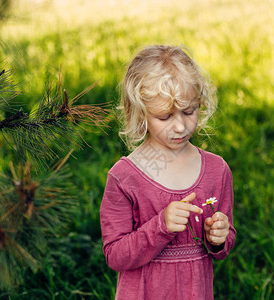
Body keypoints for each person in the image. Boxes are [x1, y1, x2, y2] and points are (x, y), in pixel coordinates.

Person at [100, 45, 236, 300]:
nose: (181, 126)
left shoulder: (217, 170)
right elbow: (114, 254)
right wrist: (160, 227)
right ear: (141, 115)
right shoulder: (125, 177)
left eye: (189, 111)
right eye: (165, 117)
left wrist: (219, 237)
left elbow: (224, 243)